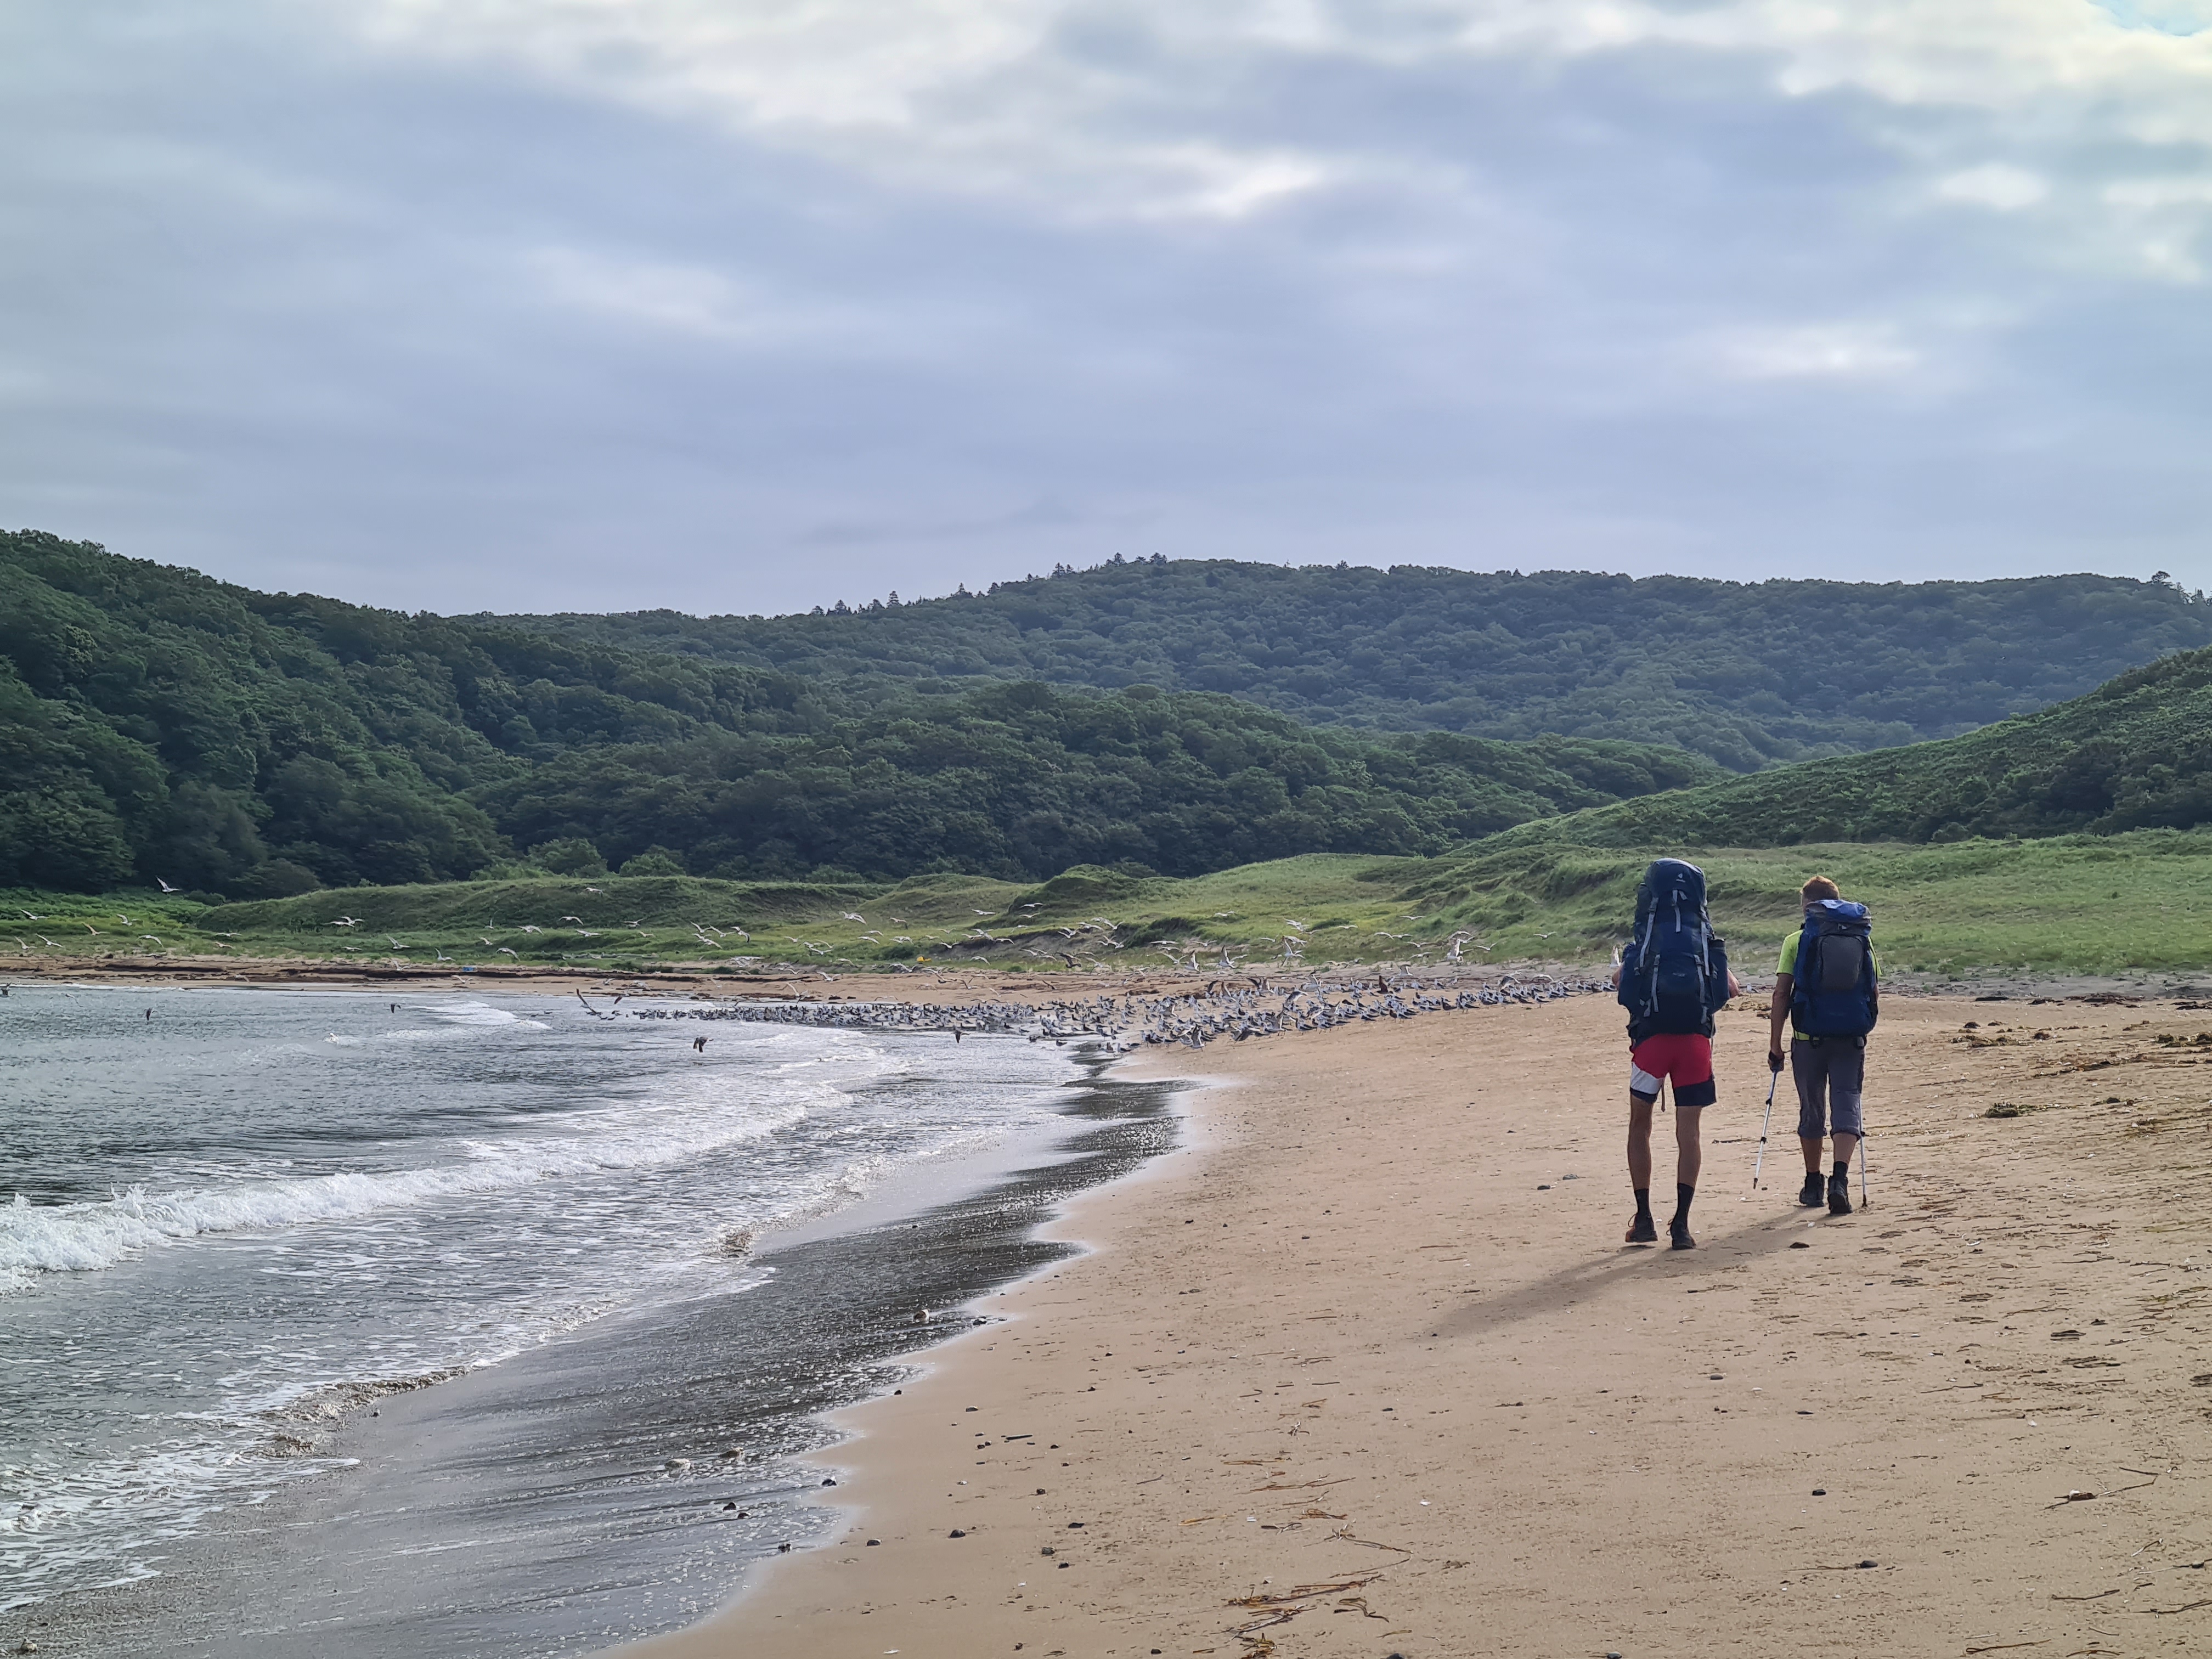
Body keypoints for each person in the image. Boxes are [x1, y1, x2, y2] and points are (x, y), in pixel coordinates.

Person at [1614, 859, 1741, 1250]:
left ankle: (1645, 1219)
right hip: (1695, 1045)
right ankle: (1682, 1226)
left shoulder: (1647, 936)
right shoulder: (1701, 937)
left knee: (1640, 1126)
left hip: (1651, 1044)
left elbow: (1622, 984)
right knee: (1690, 1133)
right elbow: (1731, 989)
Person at [1768, 876, 1878, 1216]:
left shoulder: (1796, 940)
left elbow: (1782, 995)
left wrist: (1775, 1045)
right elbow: (1872, 990)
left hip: (1808, 1039)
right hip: (1851, 1037)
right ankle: (1840, 1180)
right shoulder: (1861, 938)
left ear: (1807, 906)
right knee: (1847, 1102)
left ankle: (1813, 1183)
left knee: (1812, 1108)